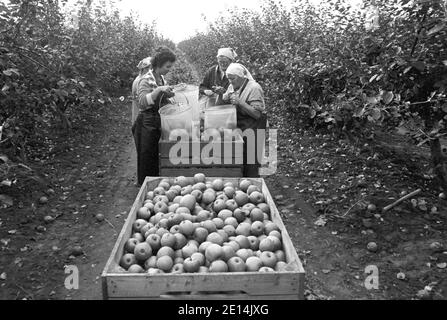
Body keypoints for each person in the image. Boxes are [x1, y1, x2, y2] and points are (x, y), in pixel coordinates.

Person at [133, 47, 176, 186]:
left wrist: (168, 94)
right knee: (147, 155)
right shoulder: (145, 80)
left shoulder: (160, 78)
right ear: (158, 65)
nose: (169, 69)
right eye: (167, 66)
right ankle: (144, 186)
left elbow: (160, 96)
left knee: (156, 153)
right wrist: (158, 90)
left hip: (157, 119)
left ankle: (154, 183)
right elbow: (142, 102)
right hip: (147, 121)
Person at [223, 63, 267, 178]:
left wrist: (240, 102)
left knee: (252, 159)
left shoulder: (254, 88)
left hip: (254, 127)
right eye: (229, 78)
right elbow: (226, 96)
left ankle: (253, 183)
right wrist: (224, 96)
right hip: (243, 126)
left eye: (232, 78)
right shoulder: (233, 85)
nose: (230, 81)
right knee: (242, 157)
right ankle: (244, 183)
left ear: (241, 76)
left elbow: (257, 114)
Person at [131, 57, 152, 126]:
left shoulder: (141, 78)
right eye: (147, 68)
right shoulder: (140, 81)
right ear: (143, 69)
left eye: (151, 68)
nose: (150, 70)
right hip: (141, 114)